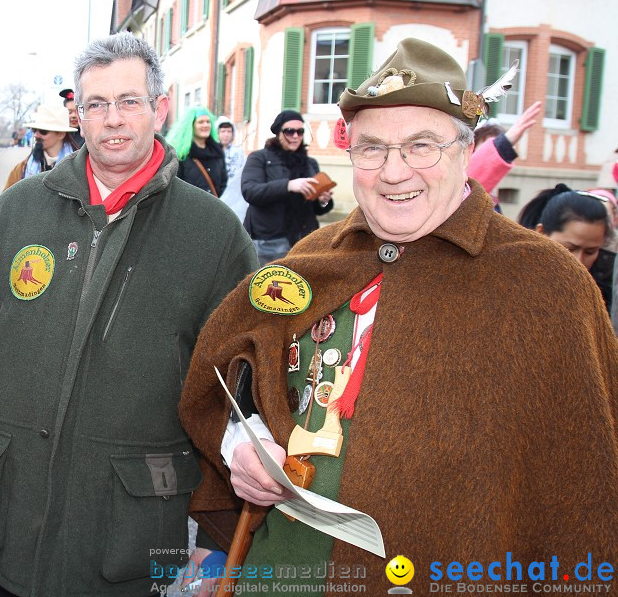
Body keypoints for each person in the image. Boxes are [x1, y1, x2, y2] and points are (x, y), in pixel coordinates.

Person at [177, 38, 618, 593]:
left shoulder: (547, 285)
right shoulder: (314, 259)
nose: (393, 172)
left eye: (421, 146)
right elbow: (226, 372)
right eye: (372, 148)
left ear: (465, 150)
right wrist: (241, 443)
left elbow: (586, 487)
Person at [0, 32, 258, 597]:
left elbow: (235, 392)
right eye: (96, 104)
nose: (112, 119)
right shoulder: (17, 212)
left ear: (160, 108)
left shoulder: (214, 235)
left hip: (125, 536)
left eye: (129, 101)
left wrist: (216, 532)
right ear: (78, 113)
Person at [241, 110, 334, 265]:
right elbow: (250, 191)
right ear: (278, 133)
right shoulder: (259, 158)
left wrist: (322, 200)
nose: (296, 136)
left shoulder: (310, 163)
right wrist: (288, 185)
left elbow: (318, 209)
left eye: (300, 131)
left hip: (305, 238)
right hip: (270, 240)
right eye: (290, 131)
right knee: (269, 288)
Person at [517, 184, 614, 313]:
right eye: (569, 248)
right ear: (541, 232)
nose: (579, 261)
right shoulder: (509, 281)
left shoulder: (604, 294)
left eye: (590, 252)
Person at [465, 101, 540, 210]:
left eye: (494, 144)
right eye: (486, 147)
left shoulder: (493, 202)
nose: (489, 150)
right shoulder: (460, 186)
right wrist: (504, 144)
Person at [3, 104, 80, 188]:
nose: (36, 135)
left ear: (61, 134)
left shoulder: (79, 167)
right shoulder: (21, 169)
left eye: (43, 131)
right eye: (34, 130)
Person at [167, 106, 228, 196]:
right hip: (189, 207)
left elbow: (223, 181)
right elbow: (174, 185)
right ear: (191, 126)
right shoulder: (181, 154)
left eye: (208, 122)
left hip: (212, 207)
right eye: (200, 122)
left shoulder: (217, 152)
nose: (205, 125)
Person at [217, 118, 245, 182]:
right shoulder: (212, 151)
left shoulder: (239, 152)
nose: (226, 135)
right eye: (223, 131)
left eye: (229, 131)